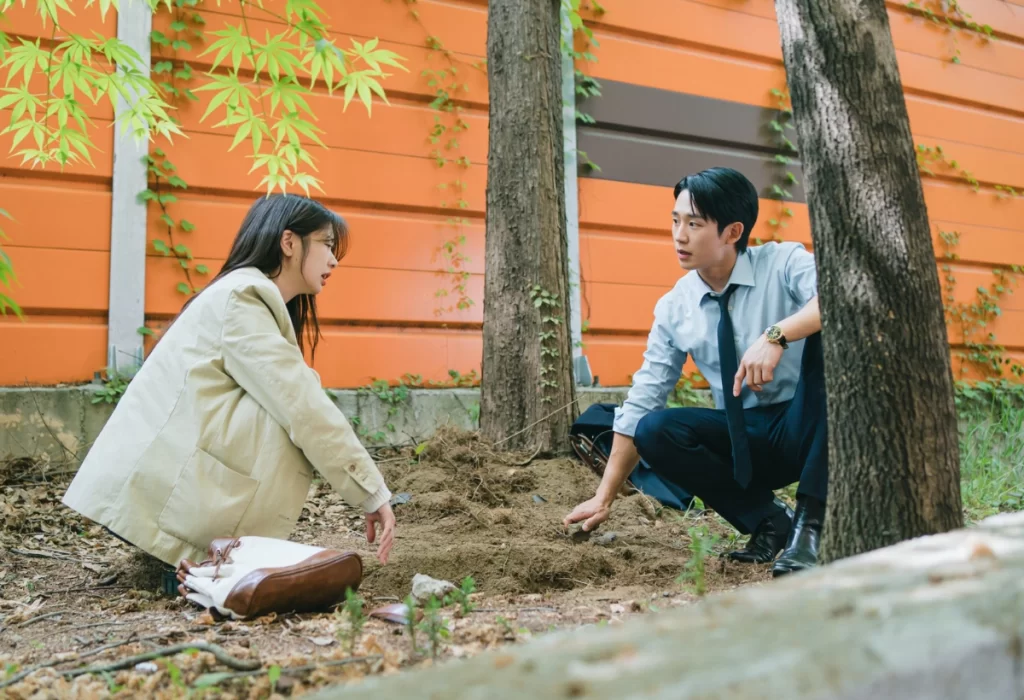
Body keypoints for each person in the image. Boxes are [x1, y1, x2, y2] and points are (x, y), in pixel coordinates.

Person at [63, 194, 397, 582]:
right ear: (289, 243)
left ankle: (197, 553)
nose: (335, 260)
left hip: (168, 482)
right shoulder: (244, 297)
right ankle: (199, 554)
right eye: (327, 244)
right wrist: (372, 492)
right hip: (163, 489)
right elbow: (301, 405)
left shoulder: (241, 293)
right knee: (292, 407)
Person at [563, 167, 827, 577]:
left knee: (827, 345)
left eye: (694, 223)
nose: (679, 235)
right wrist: (603, 497)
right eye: (675, 221)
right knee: (654, 429)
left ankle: (810, 530)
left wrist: (776, 336)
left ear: (733, 231)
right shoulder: (676, 305)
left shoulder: (782, 262)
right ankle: (770, 522)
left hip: (808, 424)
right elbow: (644, 397)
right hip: (746, 440)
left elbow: (836, 297)